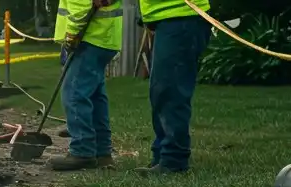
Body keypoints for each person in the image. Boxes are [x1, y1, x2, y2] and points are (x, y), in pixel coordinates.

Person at [137, 0, 212, 175]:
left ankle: (174, 160)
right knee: (161, 91)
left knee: (170, 91)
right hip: (172, 16)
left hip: (182, 16)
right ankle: (162, 155)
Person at [50, 0, 124, 171]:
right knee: (96, 96)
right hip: (104, 37)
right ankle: (102, 152)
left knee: (74, 93)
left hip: (89, 37)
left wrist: (71, 36)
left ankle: (82, 151)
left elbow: (80, 5)